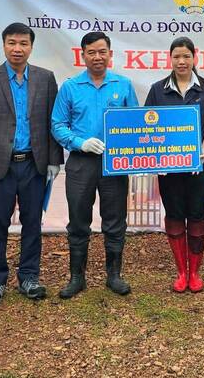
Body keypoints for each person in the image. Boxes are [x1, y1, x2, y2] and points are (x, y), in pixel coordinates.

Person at [0, 22, 64, 305]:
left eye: (23, 43)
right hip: (1, 166)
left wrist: (53, 159)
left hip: (34, 165)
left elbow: (53, 121)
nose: (17, 48)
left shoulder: (45, 78)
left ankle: (29, 277)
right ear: (3, 45)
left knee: (32, 222)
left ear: (31, 46)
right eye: (12, 42)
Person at [51, 31, 139, 298]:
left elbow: (135, 123)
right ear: (83, 55)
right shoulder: (70, 87)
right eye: (92, 52)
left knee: (115, 221)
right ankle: (77, 277)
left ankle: (114, 275)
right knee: (78, 221)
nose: (97, 57)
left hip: (115, 164)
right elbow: (57, 125)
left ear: (110, 54)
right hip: (81, 163)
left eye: (102, 52)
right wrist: (79, 142)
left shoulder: (123, 85)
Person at [144, 37, 204, 293]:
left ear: (194, 58)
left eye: (186, 56)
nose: (181, 61)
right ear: (170, 58)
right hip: (168, 167)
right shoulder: (157, 89)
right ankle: (181, 272)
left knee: (197, 213)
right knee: (174, 213)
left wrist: (203, 149)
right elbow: (147, 126)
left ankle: (195, 272)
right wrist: (156, 156)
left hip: (197, 164)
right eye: (176, 56)